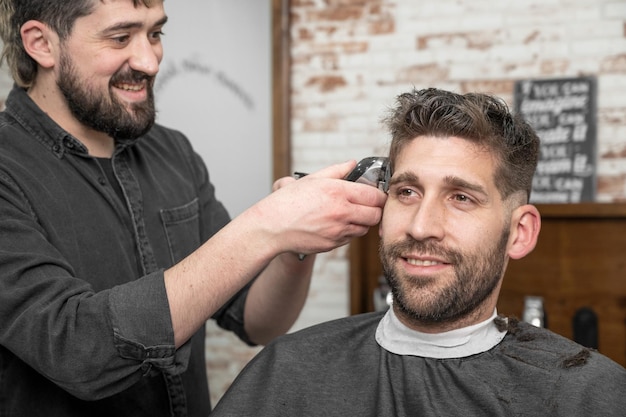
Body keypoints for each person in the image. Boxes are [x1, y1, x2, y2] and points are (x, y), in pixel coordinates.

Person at [0, 1, 387, 416]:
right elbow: (79, 351)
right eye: (120, 38)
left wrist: (295, 245)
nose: (149, 61)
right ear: (41, 44)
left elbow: (257, 322)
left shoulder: (173, 152)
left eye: (155, 34)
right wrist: (266, 225)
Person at [210, 88, 626, 416]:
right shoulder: (290, 370)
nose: (421, 226)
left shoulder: (589, 394)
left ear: (519, 232)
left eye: (461, 197)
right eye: (406, 192)